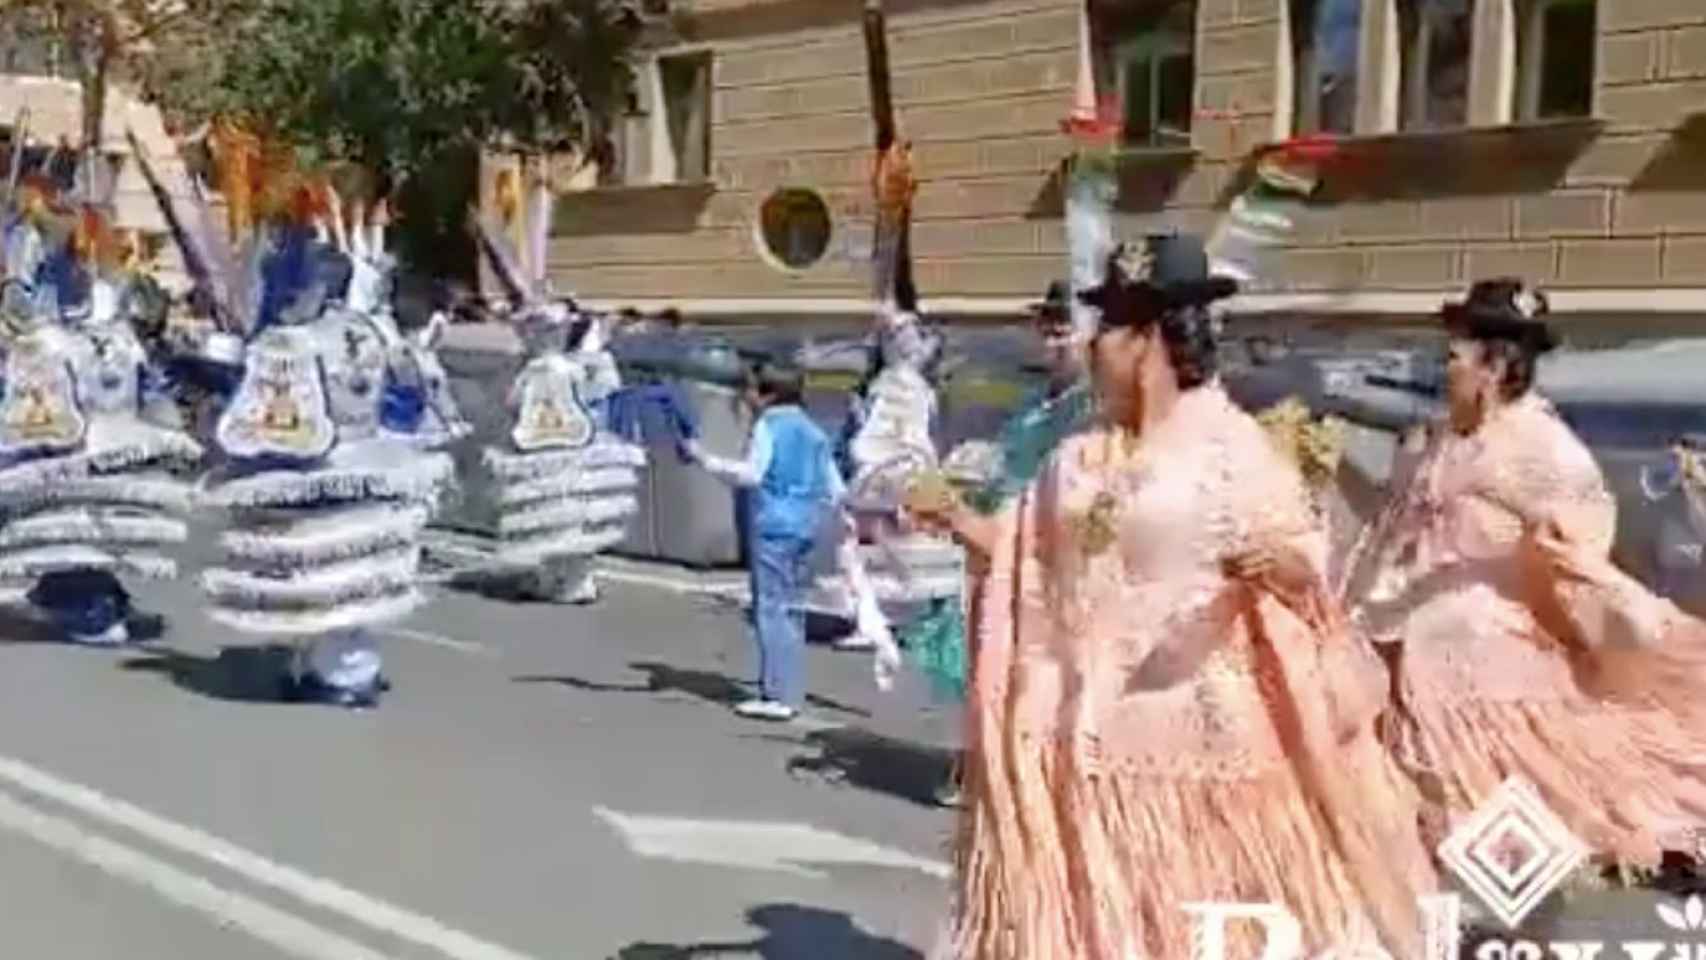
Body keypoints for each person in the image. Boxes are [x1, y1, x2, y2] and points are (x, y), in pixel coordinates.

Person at [918, 234, 1435, 960]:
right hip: (1081, 737)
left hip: (1195, 745)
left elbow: (1304, 560)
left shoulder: (1233, 448)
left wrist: (1280, 564)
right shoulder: (1080, 454)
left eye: (1110, 329)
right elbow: (1026, 553)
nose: (1093, 347)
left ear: (1149, 340)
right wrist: (954, 517)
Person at [1339, 278, 1706, 873]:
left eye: (1455, 357)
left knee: (1511, 792)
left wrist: (1575, 564)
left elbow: (1584, 530)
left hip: (1487, 643)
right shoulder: (1445, 437)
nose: (1446, 367)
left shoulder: (1540, 445)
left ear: (1494, 367)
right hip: (1410, 630)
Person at [909, 280, 1093, 808]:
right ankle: (978, 766)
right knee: (987, 659)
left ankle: (1029, 775)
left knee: (1038, 665)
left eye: (1065, 330)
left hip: (1050, 542)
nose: (1054, 342)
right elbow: (1007, 461)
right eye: (1048, 329)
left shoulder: (1091, 406)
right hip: (998, 536)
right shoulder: (1038, 399)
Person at [687, 361, 846, 722]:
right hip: (808, 526)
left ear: (768, 394)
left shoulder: (768, 426)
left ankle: (776, 694)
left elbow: (752, 474)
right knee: (793, 609)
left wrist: (708, 461)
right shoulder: (814, 430)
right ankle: (789, 687)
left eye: (751, 390)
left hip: (773, 525)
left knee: (770, 608)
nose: (747, 397)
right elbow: (835, 488)